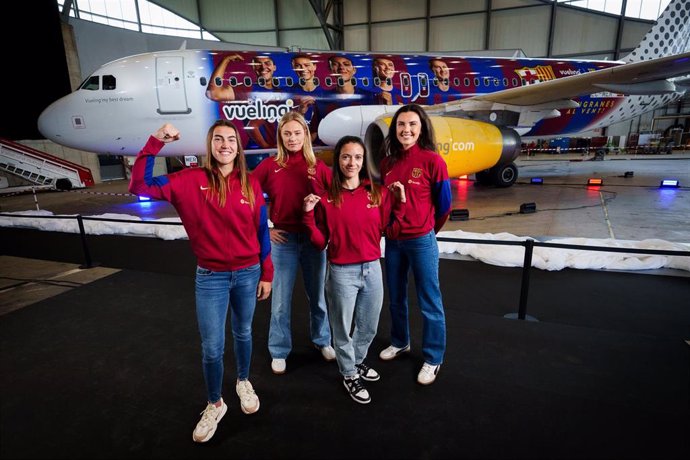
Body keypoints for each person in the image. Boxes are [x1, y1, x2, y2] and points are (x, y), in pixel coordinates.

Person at [128, 120, 273, 443]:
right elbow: (140, 187)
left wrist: (267, 273)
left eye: (231, 140)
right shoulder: (190, 180)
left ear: (238, 146)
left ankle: (243, 381)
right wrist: (155, 142)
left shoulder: (249, 184)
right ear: (210, 146)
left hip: (249, 273)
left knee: (244, 332)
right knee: (212, 348)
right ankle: (214, 403)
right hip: (211, 277)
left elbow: (262, 231)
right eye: (218, 139)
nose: (225, 145)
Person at [303, 135, 406, 404]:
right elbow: (318, 242)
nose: (352, 162)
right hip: (340, 273)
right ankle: (348, 373)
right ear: (338, 160)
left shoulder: (377, 193)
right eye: (346, 156)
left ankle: (357, 362)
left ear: (364, 161)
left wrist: (401, 202)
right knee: (341, 328)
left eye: (357, 157)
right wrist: (307, 215)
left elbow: (392, 230)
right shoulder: (327, 200)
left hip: (372, 269)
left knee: (369, 326)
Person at [252, 110, 334, 375]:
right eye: (287, 133)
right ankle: (278, 349)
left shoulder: (318, 167)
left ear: (305, 135)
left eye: (297, 133)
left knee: (318, 297)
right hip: (283, 240)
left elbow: (335, 201)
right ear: (280, 136)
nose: (292, 138)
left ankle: (322, 339)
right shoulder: (270, 165)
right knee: (280, 301)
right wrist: (265, 227)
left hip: (312, 241)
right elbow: (247, 196)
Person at [377, 104, 451, 386]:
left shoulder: (433, 161)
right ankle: (400, 341)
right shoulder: (387, 163)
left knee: (429, 302)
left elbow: (444, 206)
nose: (406, 130)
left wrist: (427, 232)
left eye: (412, 125)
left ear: (421, 129)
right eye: (401, 125)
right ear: (394, 129)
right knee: (396, 297)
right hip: (394, 242)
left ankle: (433, 358)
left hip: (421, 241)